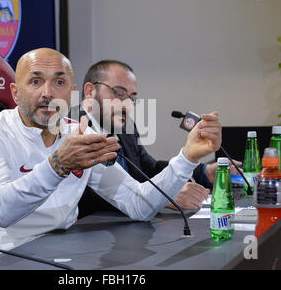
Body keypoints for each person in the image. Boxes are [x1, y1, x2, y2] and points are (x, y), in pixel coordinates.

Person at [0, 48, 222, 264]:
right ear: (15, 93)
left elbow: (139, 204)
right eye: (35, 81)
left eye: (59, 82)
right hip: (2, 259)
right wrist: (58, 166)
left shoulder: (78, 134)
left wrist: (187, 157)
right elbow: (2, 212)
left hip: (61, 253)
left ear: (71, 91)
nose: (48, 93)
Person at [77, 60, 238, 218]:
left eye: (132, 98)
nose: (127, 106)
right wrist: (161, 197)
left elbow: (150, 169)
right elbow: (85, 196)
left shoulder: (126, 128)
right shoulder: (71, 130)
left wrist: (204, 172)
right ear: (90, 91)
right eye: (119, 93)